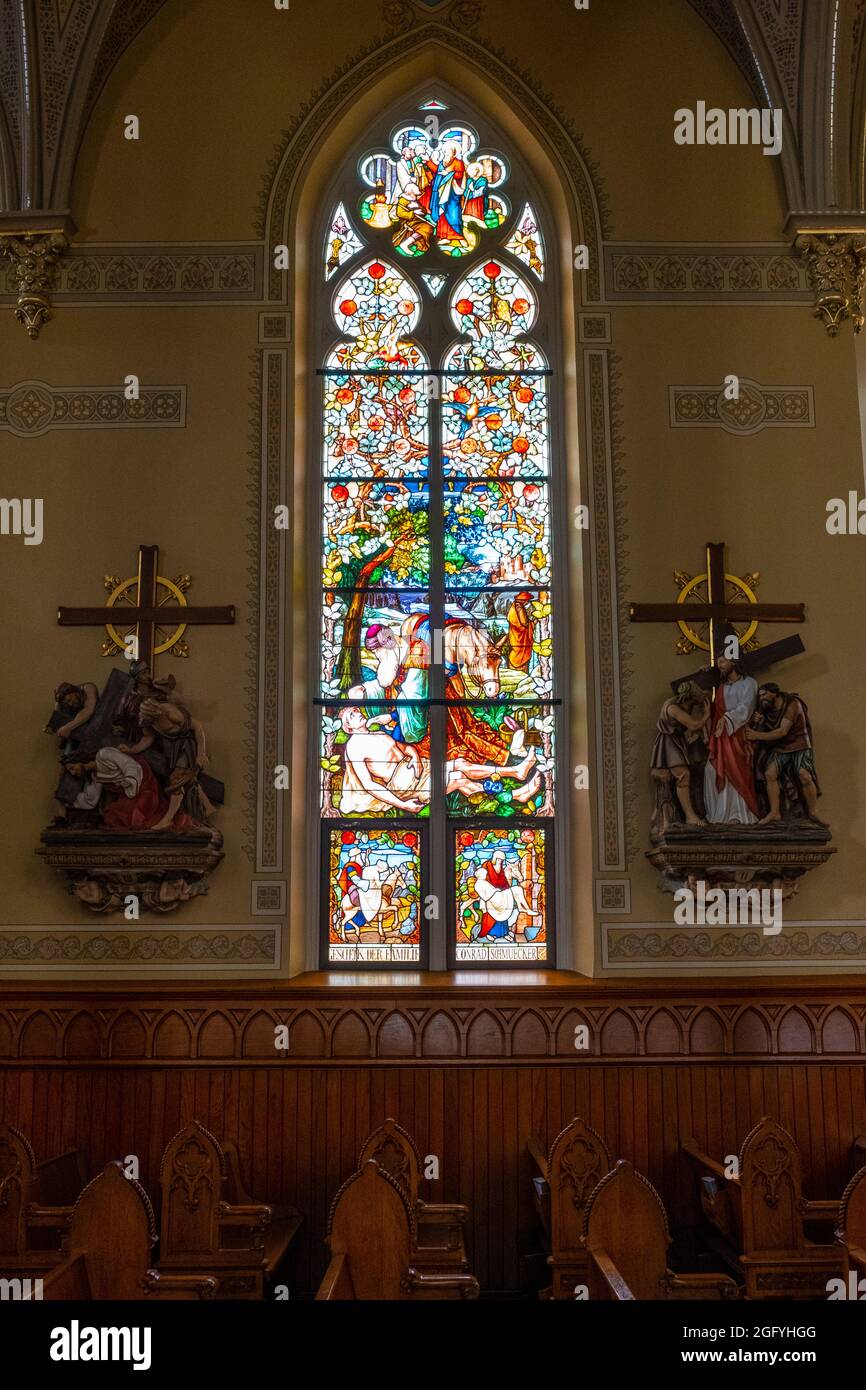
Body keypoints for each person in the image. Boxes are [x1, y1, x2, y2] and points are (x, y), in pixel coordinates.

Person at [745, 682, 824, 824]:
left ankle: (812, 812)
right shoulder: (767, 709)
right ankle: (775, 812)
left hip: (799, 744)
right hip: (781, 747)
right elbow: (768, 727)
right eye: (760, 696)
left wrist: (757, 735)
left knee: (804, 776)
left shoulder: (792, 704)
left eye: (764, 694)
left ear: (774, 693)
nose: (762, 698)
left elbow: (782, 731)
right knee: (770, 773)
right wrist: (759, 721)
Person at [703, 654, 759, 824]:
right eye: (717, 662)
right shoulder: (722, 687)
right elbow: (715, 712)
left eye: (722, 661)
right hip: (720, 736)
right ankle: (717, 814)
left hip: (738, 735)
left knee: (735, 771)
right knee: (710, 770)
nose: (719, 665)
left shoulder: (748, 683)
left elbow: (746, 707)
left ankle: (738, 815)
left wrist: (727, 719)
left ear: (733, 662)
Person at [650, 682, 710, 829]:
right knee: (683, 775)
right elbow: (694, 725)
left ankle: (688, 814)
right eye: (698, 692)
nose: (700, 694)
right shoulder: (672, 707)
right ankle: (690, 816)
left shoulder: (685, 705)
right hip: (668, 744)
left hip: (676, 742)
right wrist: (706, 715)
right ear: (690, 694)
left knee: (686, 775)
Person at [474, 849, 538, 943]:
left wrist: (504, 890)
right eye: (499, 859)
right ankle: (489, 933)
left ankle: (505, 933)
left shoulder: (501, 871)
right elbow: (483, 883)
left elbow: (504, 883)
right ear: (495, 858)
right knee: (490, 917)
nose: (500, 861)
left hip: (501, 895)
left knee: (515, 894)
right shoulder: (487, 865)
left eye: (502, 860)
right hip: (491, 898)